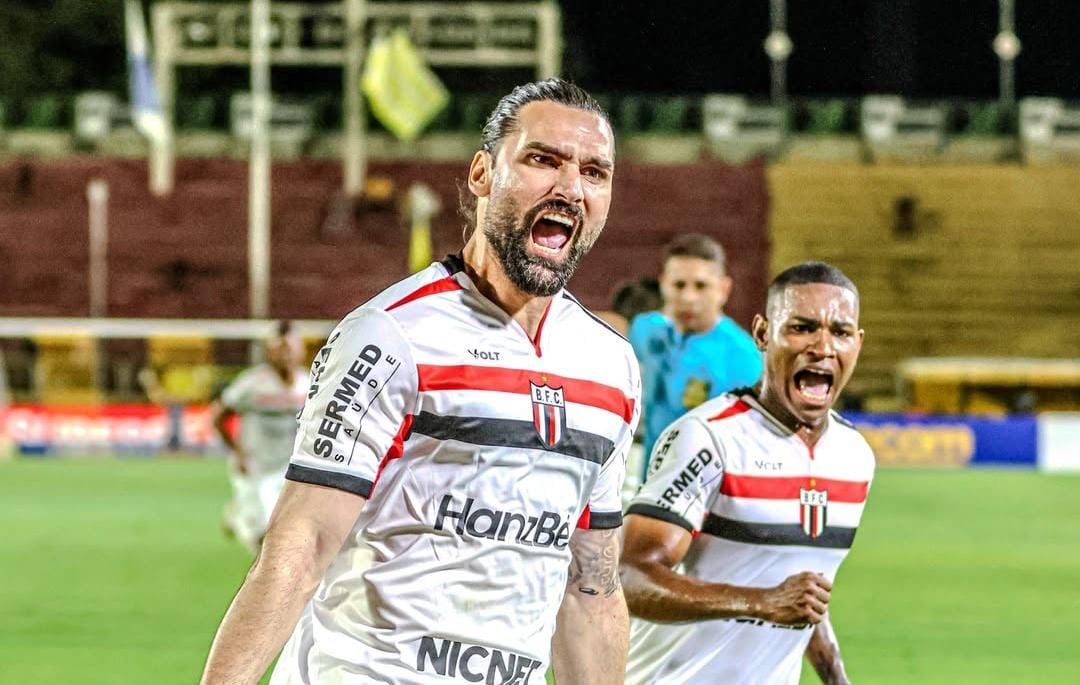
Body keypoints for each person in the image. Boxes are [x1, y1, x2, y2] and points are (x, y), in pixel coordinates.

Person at [200, 79, 640, 685]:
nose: (570, 186)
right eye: (543, 160)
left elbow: (589, 585)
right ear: (483, 174)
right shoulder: (391, 336)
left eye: (595, 172)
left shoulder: (610, 365)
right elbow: (300, 547)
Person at [620, 261, 875, 685]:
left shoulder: (854, 457)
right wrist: (761, 602)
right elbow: (630, 575)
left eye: (841, 332)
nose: (822, 347)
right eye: (803, 327)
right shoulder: (708, 438)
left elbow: (801, 588)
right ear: (762, 334)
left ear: (858, 344)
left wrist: (835, 677)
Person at [628, 233, 762, 478]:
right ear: (663, 284)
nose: (688, 298)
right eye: (679, 285)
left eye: (701, 286)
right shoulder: (645, 330)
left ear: (724, 289)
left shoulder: (743, 358)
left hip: (707, 493)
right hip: (649, 484)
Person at [210, 321, 309, 553]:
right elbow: (218, 416)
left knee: (278, 531)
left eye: (290, 348)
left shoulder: (309, 384)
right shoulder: (252, 383)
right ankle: (243, 519)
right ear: (269, 351)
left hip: (289, 466)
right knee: (263, 538)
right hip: (256, 465)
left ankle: (239, 515)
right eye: (279, 348)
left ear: (300, 351)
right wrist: (238, 452)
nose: (285, 354)